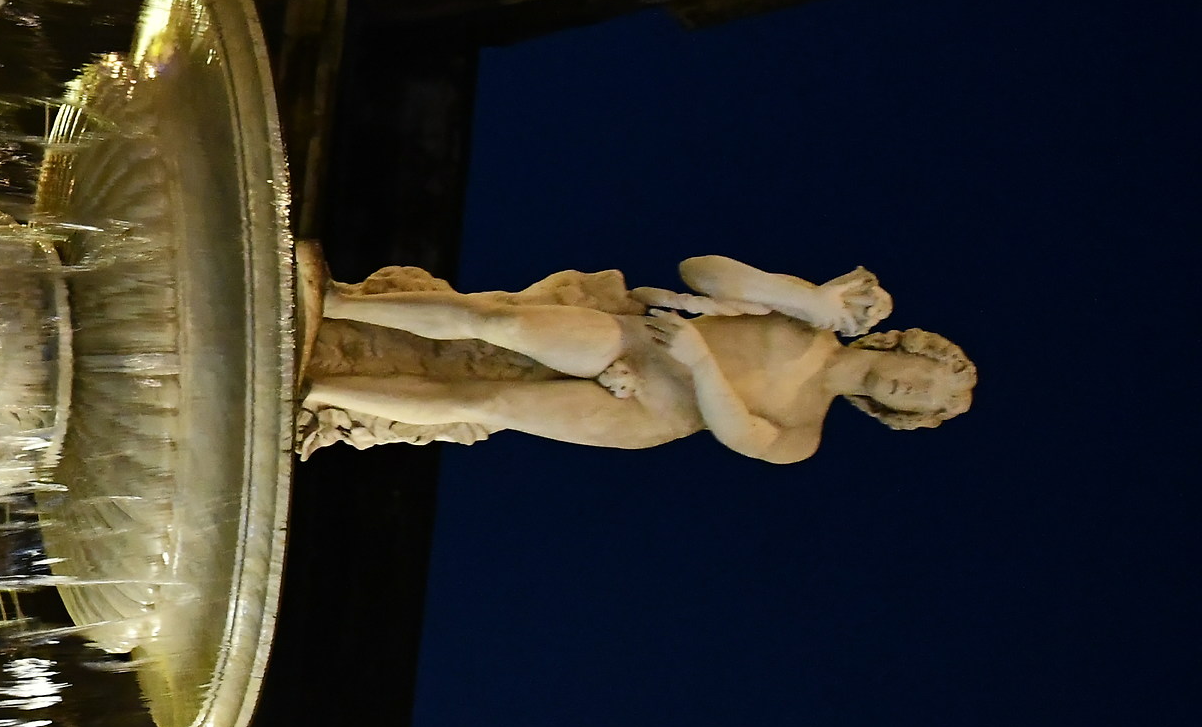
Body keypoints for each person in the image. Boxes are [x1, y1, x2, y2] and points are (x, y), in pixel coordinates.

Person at [297, 244, 975, 463]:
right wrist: (804, 300)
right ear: (916, 349)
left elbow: (742, 433)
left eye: (928, 407)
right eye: (932, 379)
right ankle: (335, 305)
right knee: (497, 321)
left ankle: (317, 391)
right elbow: (703, 270)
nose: (919, 393)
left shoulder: (805, 435)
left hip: (656, 410)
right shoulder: (808, 321)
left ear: (894, 411)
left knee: (488, 402)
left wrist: (701, 362)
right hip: (641, 343)